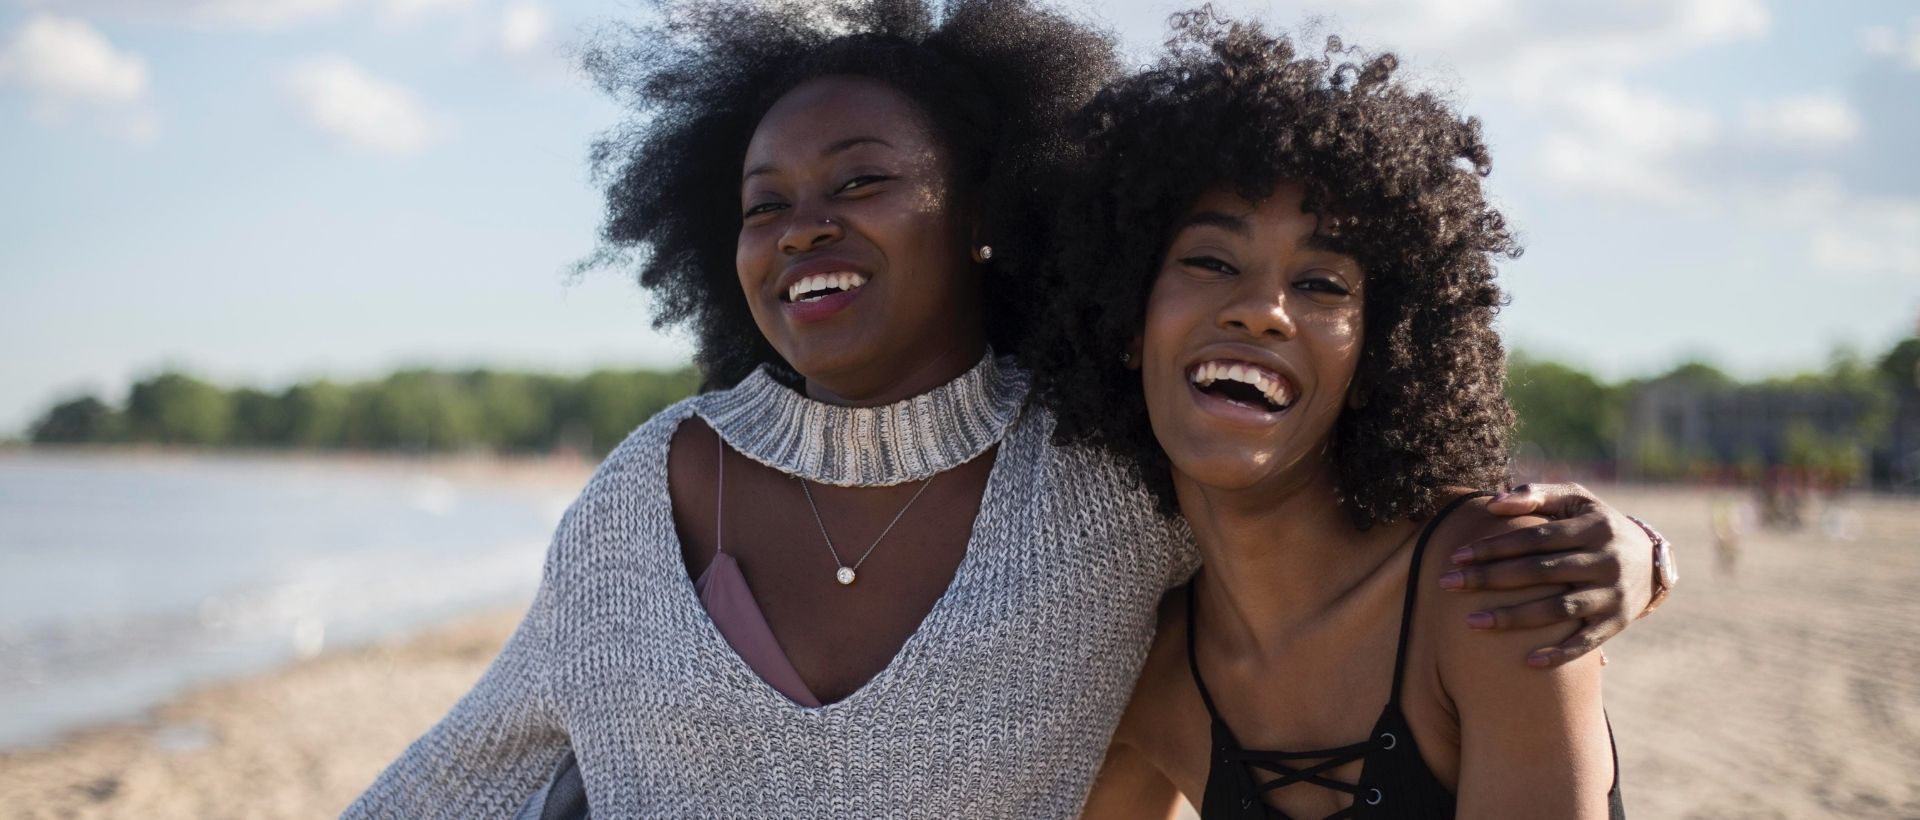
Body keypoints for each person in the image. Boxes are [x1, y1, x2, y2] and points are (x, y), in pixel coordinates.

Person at [347, 2, 1666, 816]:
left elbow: (1329, 506)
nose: (806, 228)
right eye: (765, 203)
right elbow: (468, 774)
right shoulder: (643, 495)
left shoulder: (1103, 473)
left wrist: (1635, 551)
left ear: (986, 219)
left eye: (861, 180)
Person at [1032, 13, 1633, 818]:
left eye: (1321, 284)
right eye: (1210, 261)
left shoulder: (1492, 590)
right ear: (1125, 323)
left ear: (1374, 360)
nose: (1261, 311)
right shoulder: (1152, 672)